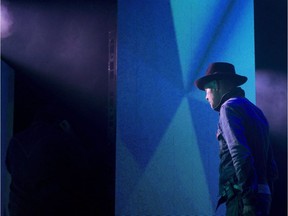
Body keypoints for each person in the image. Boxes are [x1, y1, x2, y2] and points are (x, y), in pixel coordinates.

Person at [194, 62, 278, 216]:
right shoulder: (257, 111)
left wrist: (248, 200)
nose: (206, 97)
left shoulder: (229, 108)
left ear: (217, 85)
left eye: (206, 90)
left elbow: (239, 153)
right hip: (264, 197)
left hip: (243, 198)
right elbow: (271, 164)